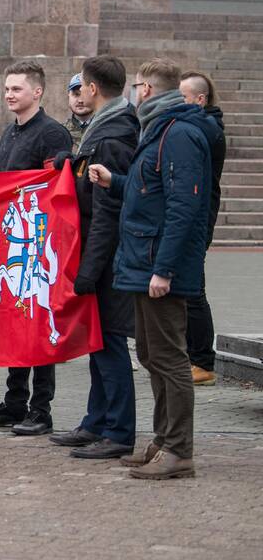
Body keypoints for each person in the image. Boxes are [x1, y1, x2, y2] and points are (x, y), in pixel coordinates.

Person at [89, 58, 219, 480]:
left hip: (158, 267)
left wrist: (164, 269)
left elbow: (185, 206)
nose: (133, 92)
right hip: (145, 262)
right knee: (150, 353)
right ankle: (164, 440)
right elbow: (153, 191)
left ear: (146, 90)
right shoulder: (160, 130)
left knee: (168, 358)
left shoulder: (178, 134)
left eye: (137, 86)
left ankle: (179, 449)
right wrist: (117, 181)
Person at [0, 60, 72, 435]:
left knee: (39, 325)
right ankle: (14, 402)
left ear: (37, 92)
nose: (10, 95)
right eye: (7, 89)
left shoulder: (52, 134)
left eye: (17, 89)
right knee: (16, 323)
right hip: (12, 238)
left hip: (40, 244)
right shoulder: (9, 133)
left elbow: (53, 190)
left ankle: (40, 410)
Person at [48, 56, 139, 459]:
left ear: (92, 89)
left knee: (110, 345)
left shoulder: (112, 137)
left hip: (107, 258)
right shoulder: (102, 132)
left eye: (81, 85)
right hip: (100, 255)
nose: (80, 92)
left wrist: (89, 270)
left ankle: (119, 432)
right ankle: (95, 421)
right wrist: (74, 166)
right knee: (98, 343)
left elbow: (108, 214)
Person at [179, 70, 226, 387]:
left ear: (200, 99)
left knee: (194, 291)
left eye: (180, 97)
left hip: (197, 220)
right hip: (194, 217)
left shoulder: (207, 129)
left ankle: (202, 361)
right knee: (186, 290)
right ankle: (190, 355)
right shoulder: (199, 126)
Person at [63, 73, 93, 152]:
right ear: (68, 95)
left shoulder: (104, 128)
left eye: (85, 95)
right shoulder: (60, 131)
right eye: (76, 94)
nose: (80, 100)